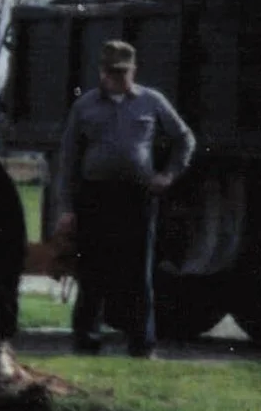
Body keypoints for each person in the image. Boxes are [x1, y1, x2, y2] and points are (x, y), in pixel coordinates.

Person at [53, 39, 195, 357]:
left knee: (138, 273)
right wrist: (66, 209)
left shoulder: (151, 101)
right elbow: (68, 158)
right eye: (111, 72)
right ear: (101, 72)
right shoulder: (85, 106)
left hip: (137, 196)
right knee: (92, 271)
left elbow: (184, 138)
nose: (117, 78)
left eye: (123, 72)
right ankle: (86, 341)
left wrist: (168, 175)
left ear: (134, 70)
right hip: (95, 195)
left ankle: (142, 345)